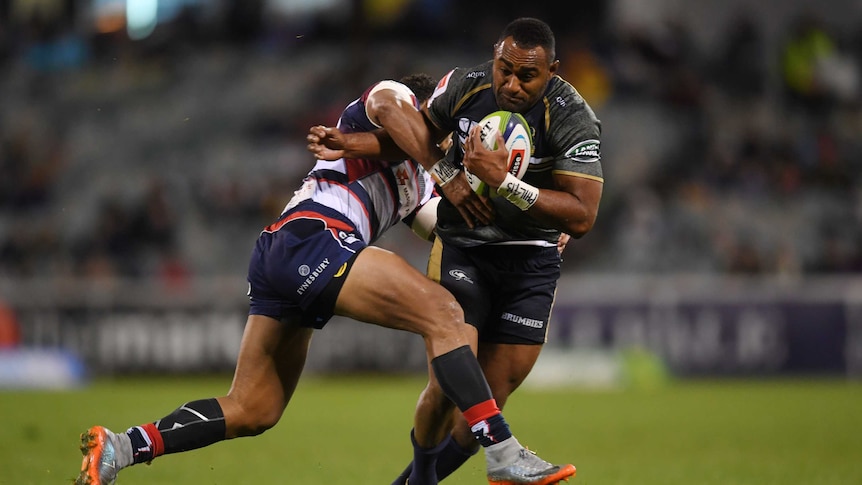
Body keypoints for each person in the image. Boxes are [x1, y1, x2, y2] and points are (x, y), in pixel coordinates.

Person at [75, 73, 575, 485]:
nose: (449, 136)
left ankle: (121, 448)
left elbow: (451, 223)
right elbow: (392, 109)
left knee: (254, 408)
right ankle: (502, 449)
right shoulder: (394, 99)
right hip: (313, 236)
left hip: (284, 252)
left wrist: (535, 224)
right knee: (445, 314)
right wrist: (443, 163)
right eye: (442, 124)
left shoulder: (421, 183)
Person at [307, 17, 603, 484]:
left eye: (526, 75)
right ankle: (432, 474)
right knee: (449, 389)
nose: (510, 83)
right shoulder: (464, 86)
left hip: (532, 262)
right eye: (504, 68)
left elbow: (582, 216)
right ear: (494, 55)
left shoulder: (573, 117)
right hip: (465, 249)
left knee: (484, 406)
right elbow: (411, 139)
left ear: (552, 71)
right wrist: (350, 142)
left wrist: (502, 182)